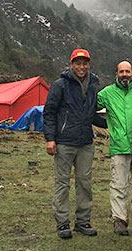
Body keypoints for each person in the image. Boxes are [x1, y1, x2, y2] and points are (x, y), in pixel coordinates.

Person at [43, 48, 101, 239]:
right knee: (62, 183)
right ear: (71, 64)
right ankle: (62, 223)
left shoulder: (93, 84)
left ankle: (83, 222)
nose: (81, 67)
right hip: (64, 141)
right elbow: (49, 112)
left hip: (85, 141)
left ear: (88, 65)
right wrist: (50, 139)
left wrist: (116, 124)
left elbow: (93, 113)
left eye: (84, 63)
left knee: (85, 182)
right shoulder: (60, 85)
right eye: (78, 63)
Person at [97, 61, 132, 236]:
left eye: (127, 71)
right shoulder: (107, 93)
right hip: (119, 147)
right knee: (119, 185)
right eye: (121, 71)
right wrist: (100, 124)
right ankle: (119, 221)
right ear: (117, 73)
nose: (124, 74)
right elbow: (90, 106)